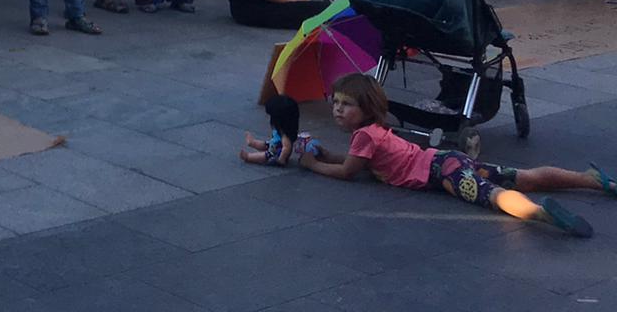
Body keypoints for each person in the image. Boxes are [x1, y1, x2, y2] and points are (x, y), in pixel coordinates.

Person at [300, 74, 612, 237]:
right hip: (446, 160)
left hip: (442, 174)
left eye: (346, 104)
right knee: (521, 176)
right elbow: (355, 160)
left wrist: (313, 163)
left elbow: (348, 171)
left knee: (494, 196)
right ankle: (592, 179)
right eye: (336, 103)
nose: (337, 109)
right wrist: (328, 152)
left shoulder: (364, 136)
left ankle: (540, 213)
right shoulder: (373, 132)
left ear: (366, 109)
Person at [240, 95, 303, 167]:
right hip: (274, 145)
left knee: (265, 155)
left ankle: (249, 157)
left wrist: (281, 159)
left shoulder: (285, 135)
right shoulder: (280, 129)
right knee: (265, 144)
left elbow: (286, 148)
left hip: (277, 152)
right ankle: (253, 143)